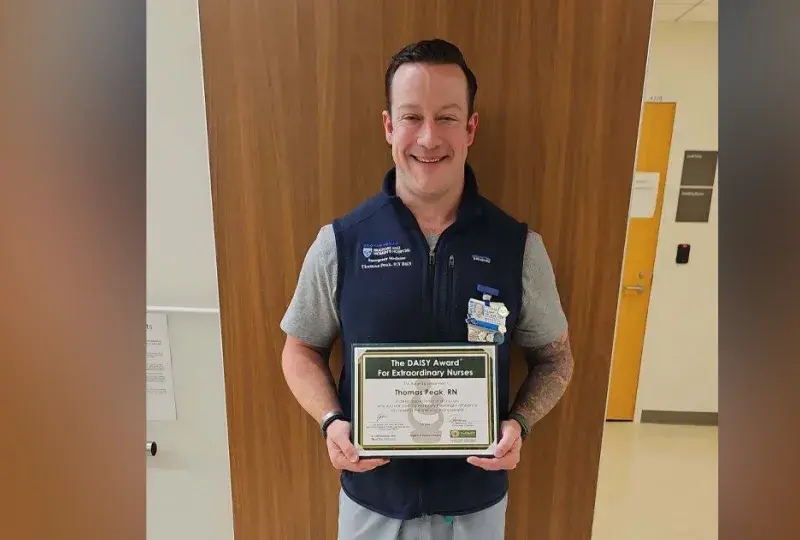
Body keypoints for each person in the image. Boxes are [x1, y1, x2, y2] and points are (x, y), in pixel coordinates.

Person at [280, 38, 574, 540]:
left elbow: (557, 358)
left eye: (448, 117)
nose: (429, 138)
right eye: (412, 117)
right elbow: (300, 348)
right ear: (389, 126)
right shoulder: (341, 243)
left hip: (475, 509)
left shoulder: (518, 247)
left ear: (471, 129)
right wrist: (332, 421)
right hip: (372, 504)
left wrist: (519, 424)